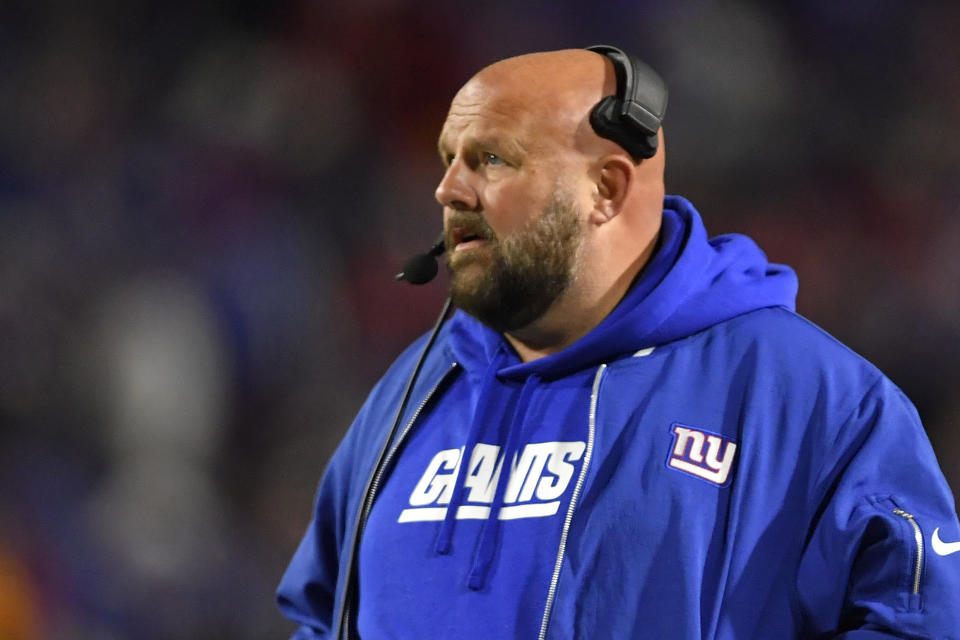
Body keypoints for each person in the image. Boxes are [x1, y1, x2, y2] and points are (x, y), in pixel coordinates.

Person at [277, 47, 960, 639]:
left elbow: (919, 621)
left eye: (489, 159)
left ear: (605, 188)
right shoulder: (412, 392)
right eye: (448, 159)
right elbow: (320, 617)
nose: (448, 188)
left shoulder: (808, 396)